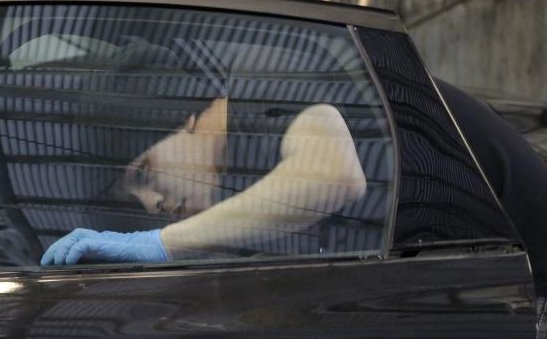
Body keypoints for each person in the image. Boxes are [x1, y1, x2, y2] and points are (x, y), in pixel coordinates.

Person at [41, 98, 367, 265]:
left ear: (184, 120)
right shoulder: (226, 192)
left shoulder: (270, 102)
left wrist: (162, 242)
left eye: (143, 173)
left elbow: (334, 174)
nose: (152, 205)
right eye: (131, 202)